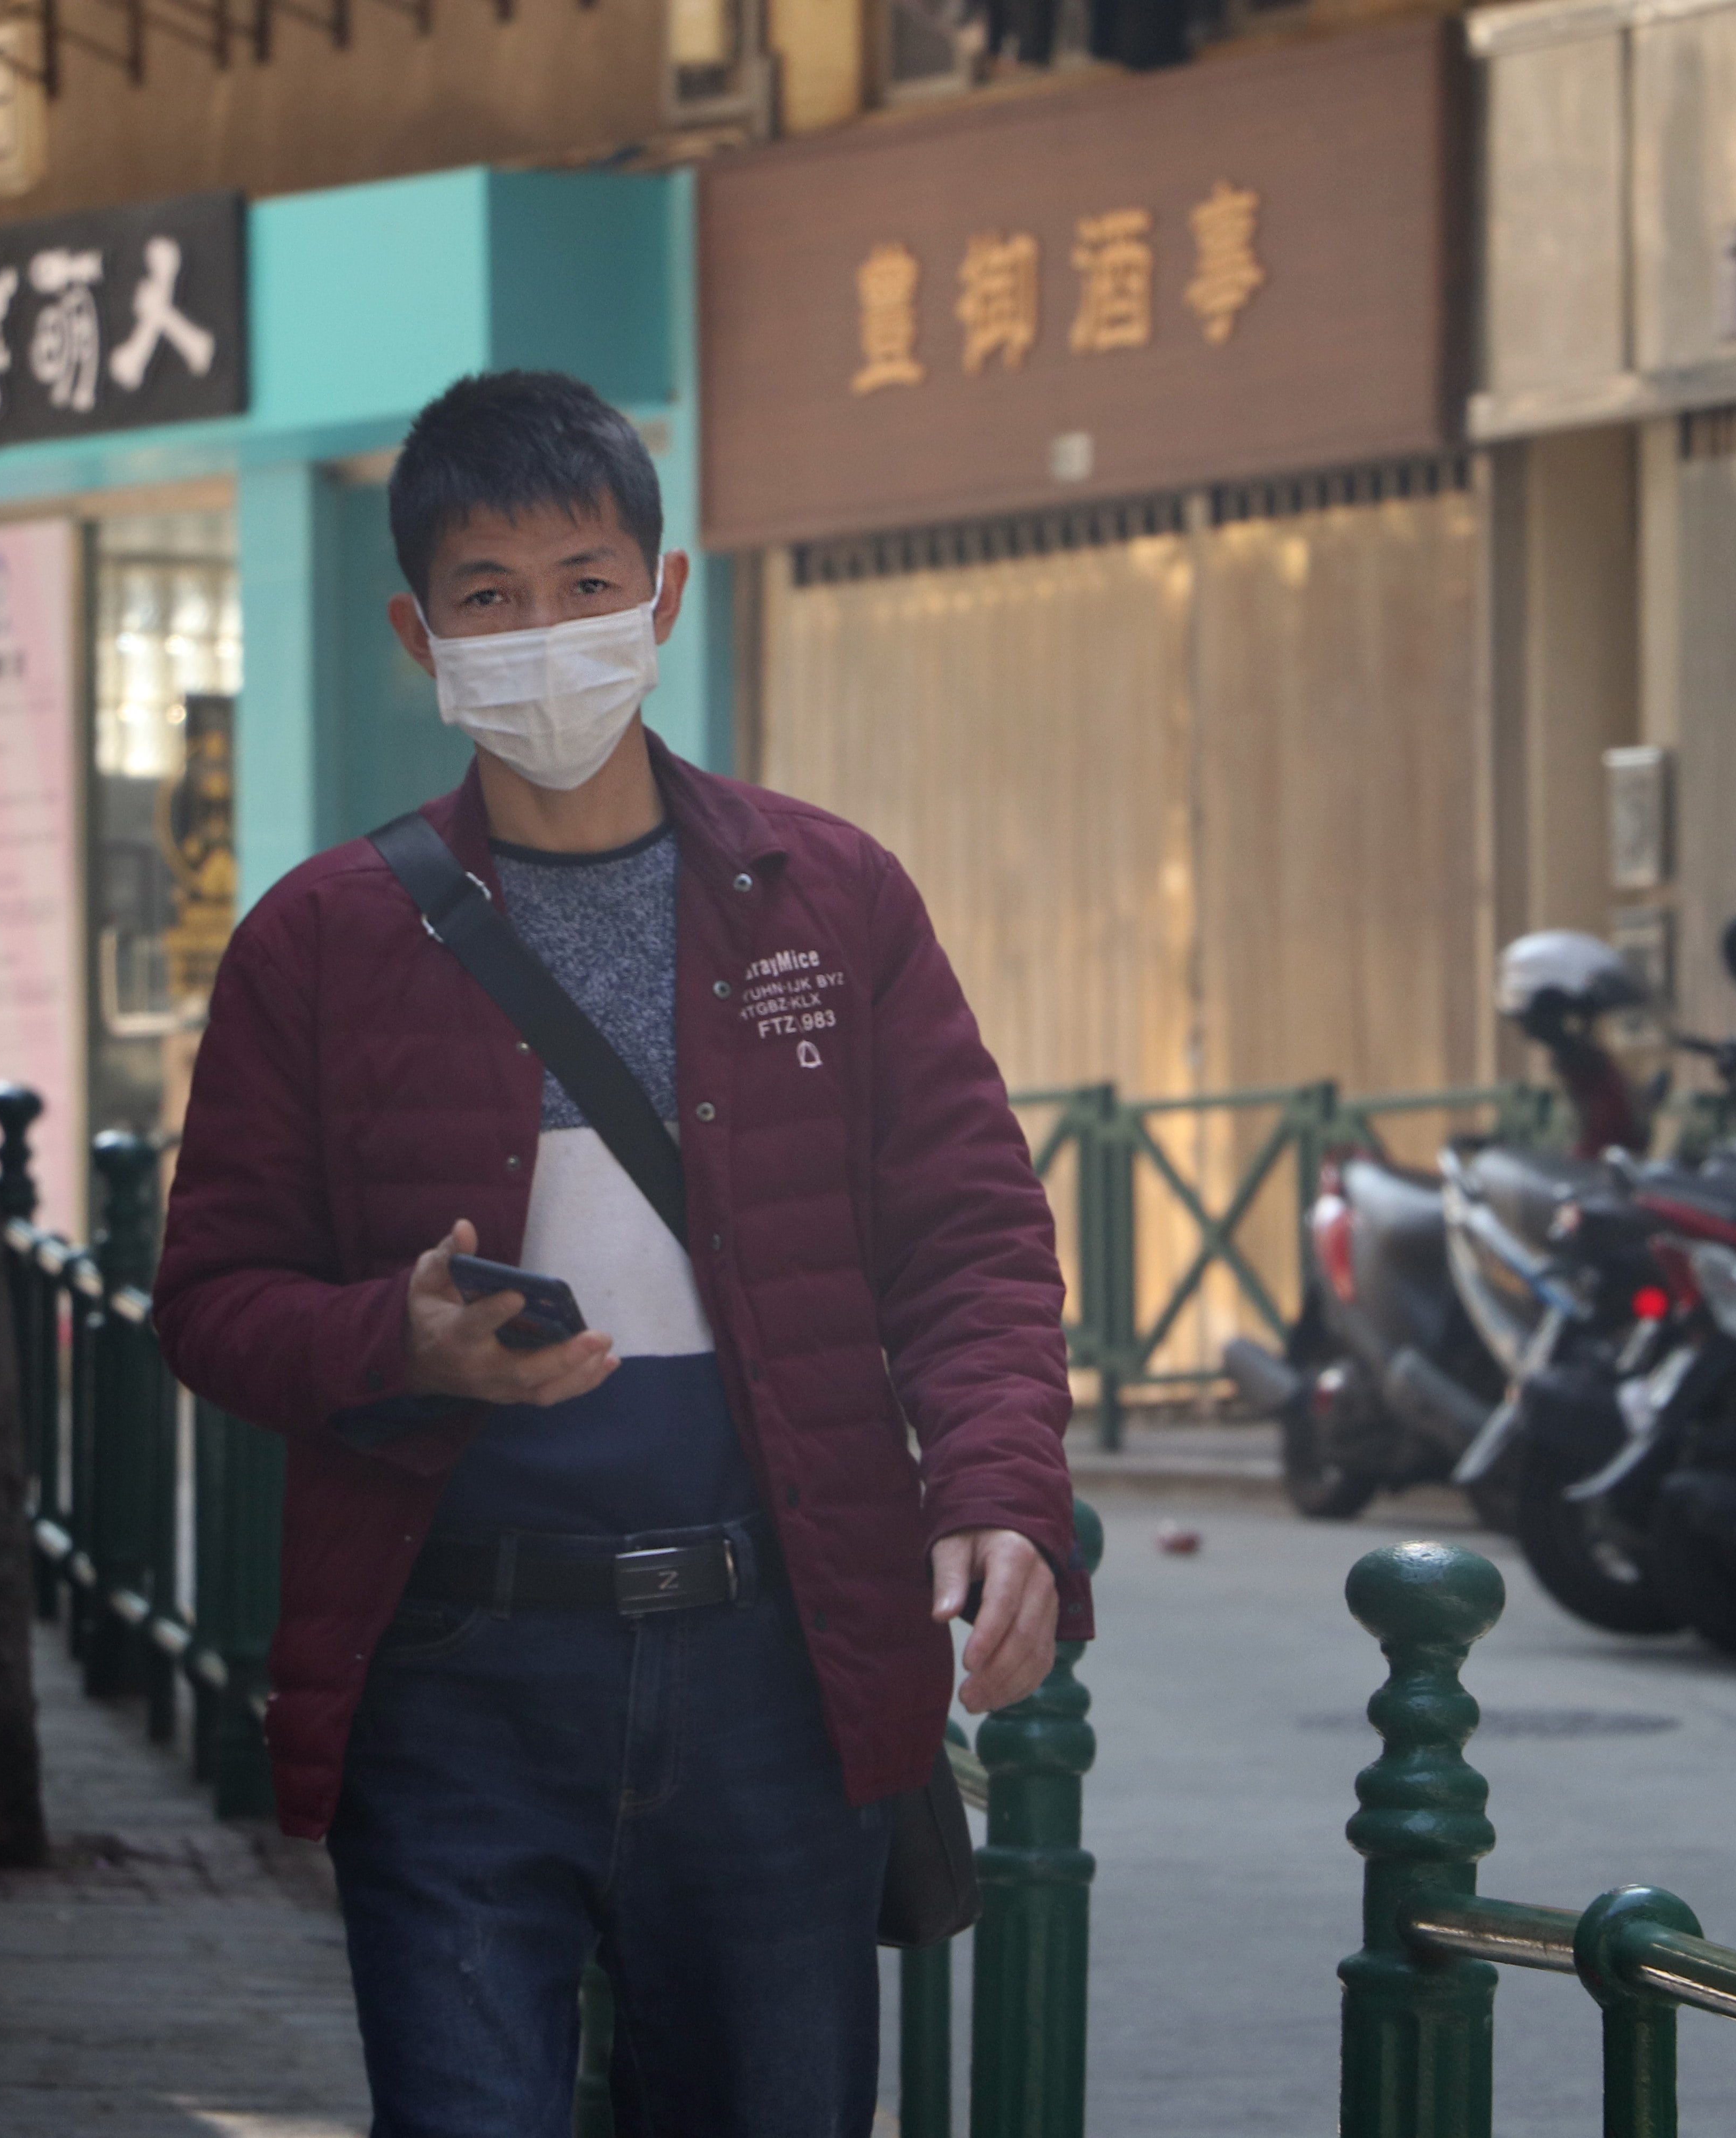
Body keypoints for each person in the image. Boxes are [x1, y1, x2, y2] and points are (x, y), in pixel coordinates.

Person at [150, 368, 1086, 2138]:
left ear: (661, 599)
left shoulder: (830, 895)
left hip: (774, 1664)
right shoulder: (325, 942)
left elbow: (970, 1235)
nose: (547, 635)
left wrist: (1000, 1488)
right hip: (454, 1675)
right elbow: (209, 1301)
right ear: (420, 633)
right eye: (491, 599)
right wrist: (391, 1345)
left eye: (587, 585)